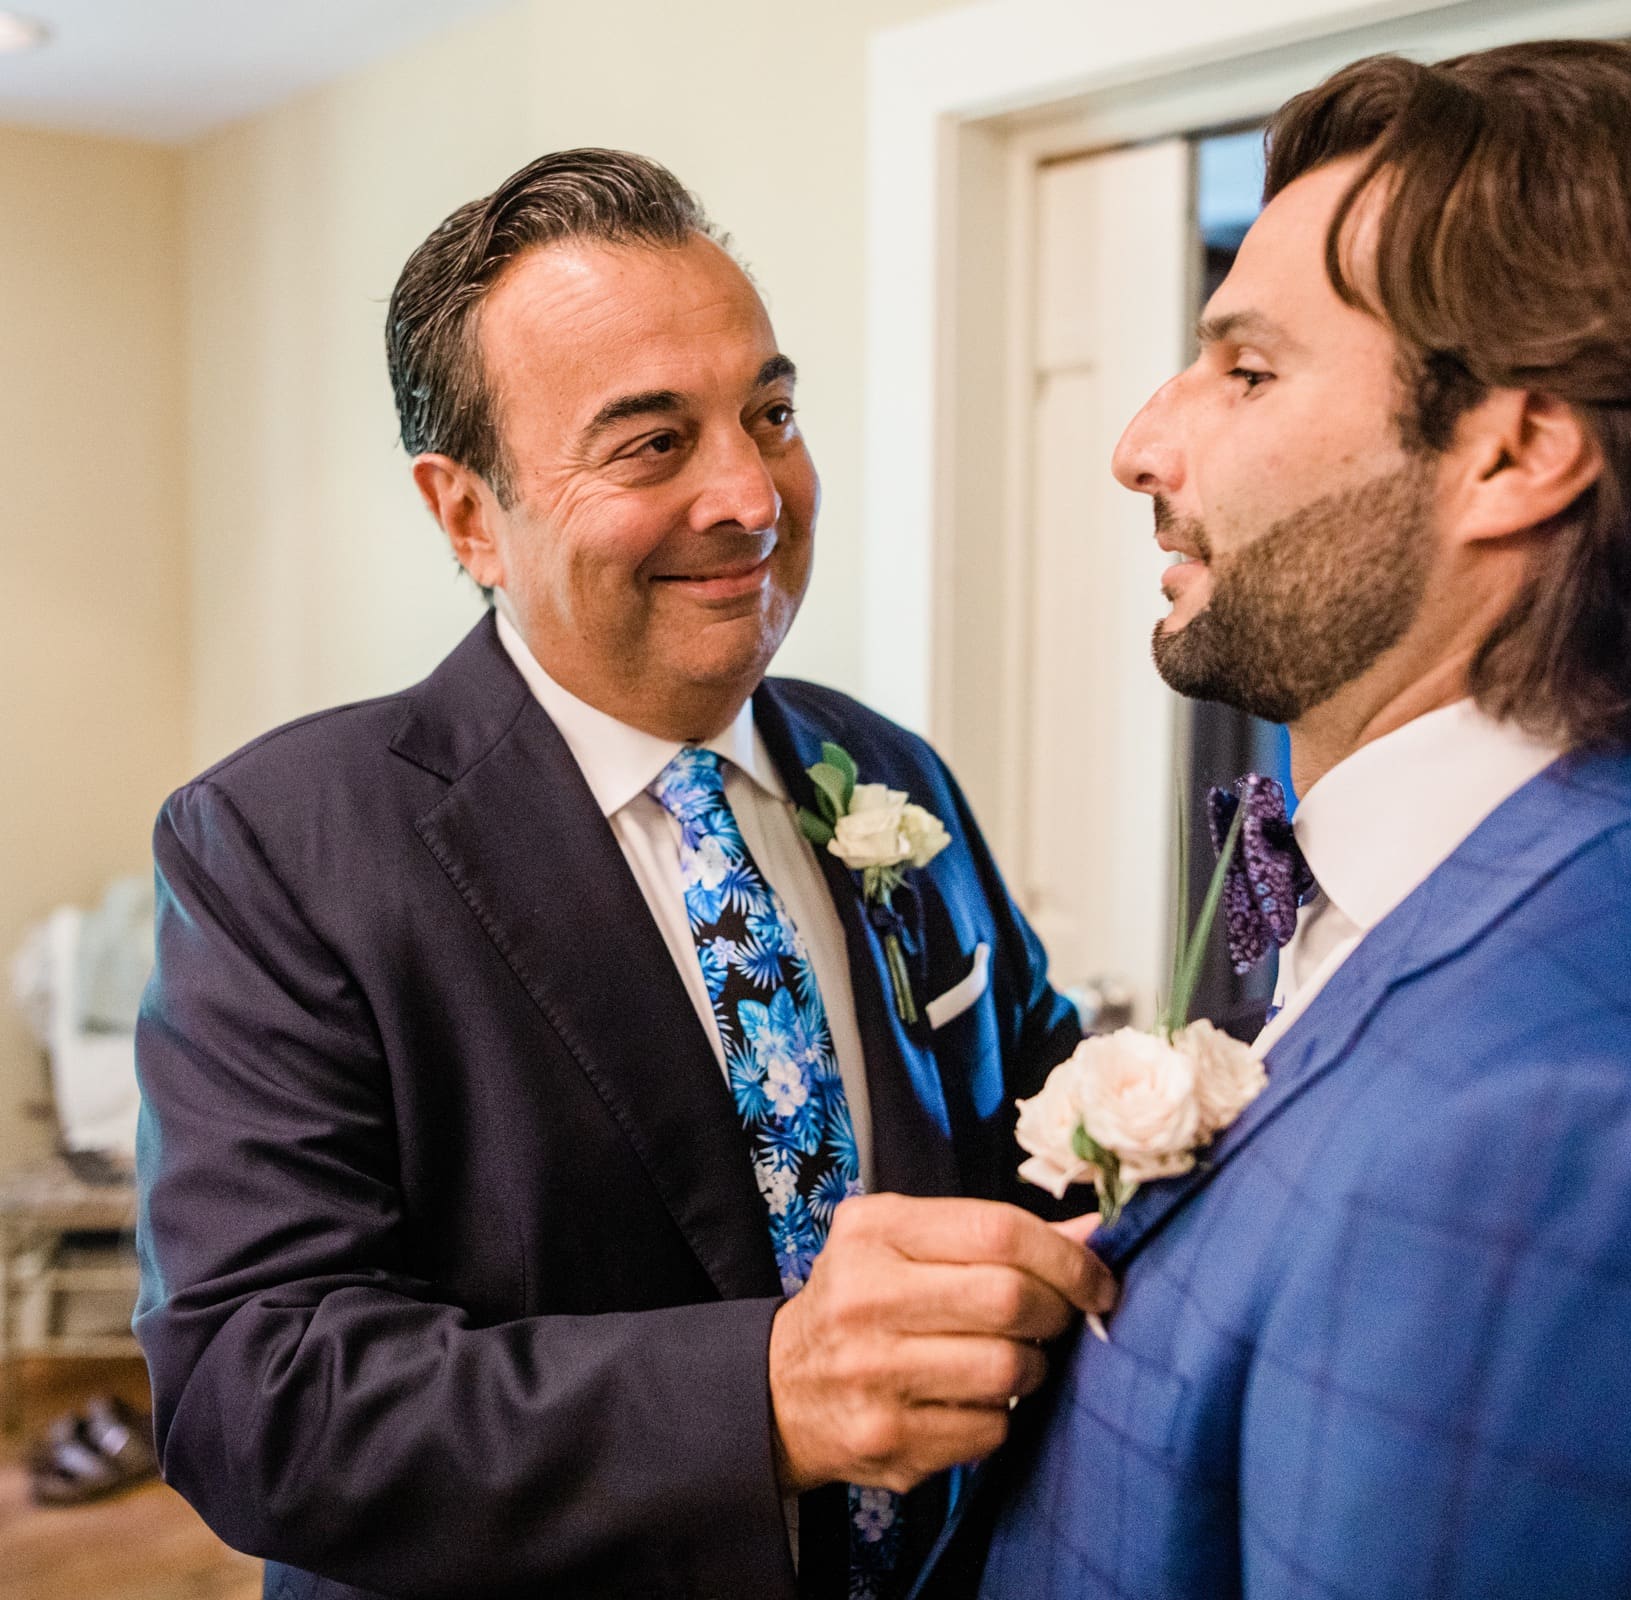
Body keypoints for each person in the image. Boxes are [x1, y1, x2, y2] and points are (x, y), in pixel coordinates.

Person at [922, 41, 1631, 1598]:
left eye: (1248, 370)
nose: (1142, 443)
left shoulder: (1596, 1151)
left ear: (1516, 452)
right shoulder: (1473, 902)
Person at [133, 149, 1113, 1600]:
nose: (752, 496)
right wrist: (767, 1395)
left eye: (771, 416)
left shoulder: (888, 769)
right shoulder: (280, 848)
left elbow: (1041, 1127)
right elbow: (259, 1397)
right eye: (653, 444)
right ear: (467, 515)